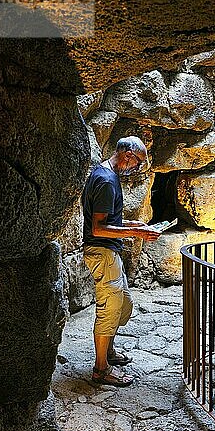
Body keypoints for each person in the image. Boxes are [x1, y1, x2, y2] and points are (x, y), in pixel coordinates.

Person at [82, 136, 160, 387]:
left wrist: (133, 224)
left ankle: (109, 352)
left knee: (123, 305)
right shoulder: (105, 180)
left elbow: (110, 221)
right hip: (102, 252)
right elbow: (98, 228)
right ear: (127, 155)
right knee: (110, 309)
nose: (136, 168)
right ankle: (101, 369)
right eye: (137, 163)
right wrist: (136, 233)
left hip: (109, 252)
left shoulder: (108, 175)